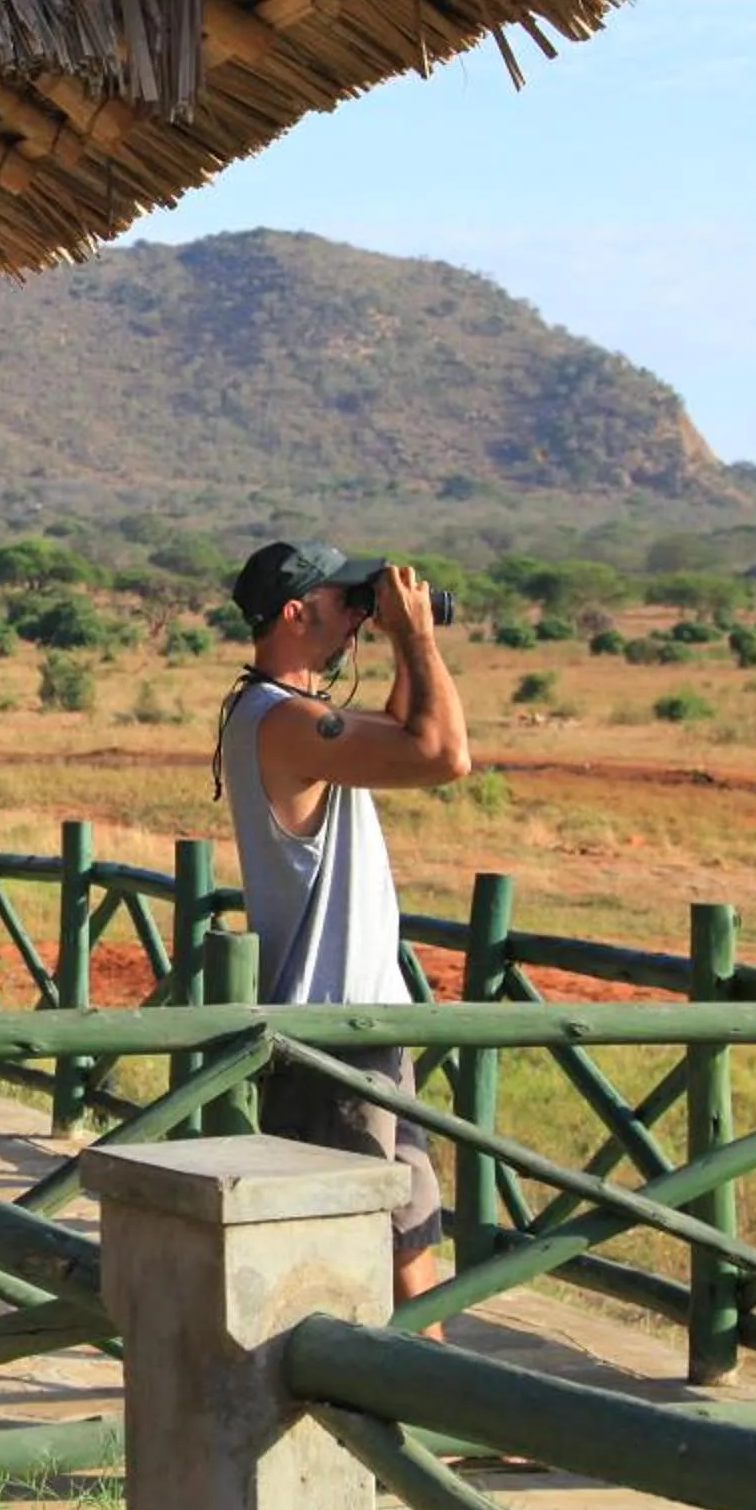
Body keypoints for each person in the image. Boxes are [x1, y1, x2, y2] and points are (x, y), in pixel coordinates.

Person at [213, 539, 469, 1307]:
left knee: (409, 1246)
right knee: (345, 1264)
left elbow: (401, 735)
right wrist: (415, 637)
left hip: (366, 1028)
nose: (358, 616)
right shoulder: (280, 721)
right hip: (329, 1034)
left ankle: (428, 1409)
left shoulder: (289, 715)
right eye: (343, 601)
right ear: (296, 612)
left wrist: (397, 641)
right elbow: (442, 754)